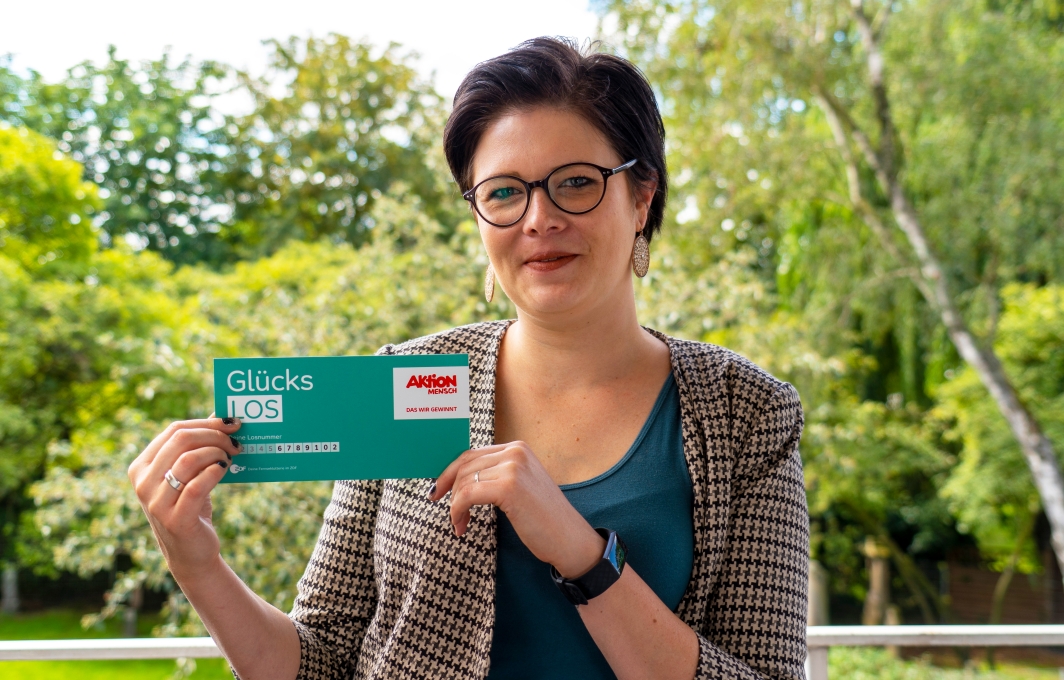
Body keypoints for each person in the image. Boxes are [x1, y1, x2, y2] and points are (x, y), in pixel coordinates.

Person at [128, 37, 809, 680]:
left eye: (575, 182)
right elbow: (318, 660)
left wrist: (581, 553)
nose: (538, 219)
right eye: (504, 193)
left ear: (641, 196)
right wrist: (196, 560)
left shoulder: (746, 411)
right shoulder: (399, 377)